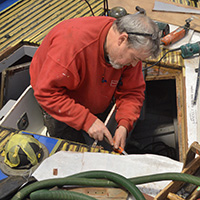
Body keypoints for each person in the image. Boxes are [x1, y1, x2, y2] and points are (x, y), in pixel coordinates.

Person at [29, 12, 160, 151]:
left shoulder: (130, 50)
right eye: (134, 58)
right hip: (58, 102)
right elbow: (46, 93)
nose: (134, 65)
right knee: (70, 150)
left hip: (95, 93)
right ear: (122, 39)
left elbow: (132, 91)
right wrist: (86, 121)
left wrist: (124, 124)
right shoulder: (71, 46)